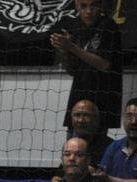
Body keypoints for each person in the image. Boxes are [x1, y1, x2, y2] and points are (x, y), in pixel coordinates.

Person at [49, 0, 123, 132]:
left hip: (102, 98)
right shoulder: (74, 25)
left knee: (96, 143)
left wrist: (72, 47)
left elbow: (104, 65)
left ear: (100, 5)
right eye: (84, 6)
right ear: (76, 4)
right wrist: (64, 51)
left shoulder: (108, 25)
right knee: (73, 142)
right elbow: (72, 70)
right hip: (79, 95)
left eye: (93, 5)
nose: (88, 11)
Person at [63, 100, 113, 168]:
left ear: (97, 119)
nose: (81, 120)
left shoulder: (111, 148)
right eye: (77, 115)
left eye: (86, 115)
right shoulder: (69, 146)